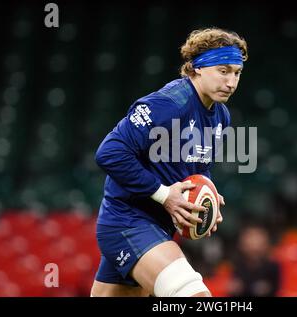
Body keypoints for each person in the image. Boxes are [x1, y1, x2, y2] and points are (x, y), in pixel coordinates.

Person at [90, 27, 248, 297]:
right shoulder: (169, 103)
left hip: (157, 228)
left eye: (237, 73)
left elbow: (196, 167)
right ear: (198, 67)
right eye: (223, 71)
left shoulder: (221, 115)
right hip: (128, 222)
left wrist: (207, 194)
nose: (231, 82)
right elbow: (110, 152)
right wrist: (165, 195)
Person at [227, 223, 281, 297]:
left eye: (258, 238)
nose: (254, 243)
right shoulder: (236, 267)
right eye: (250, 237)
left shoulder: (273, 267)